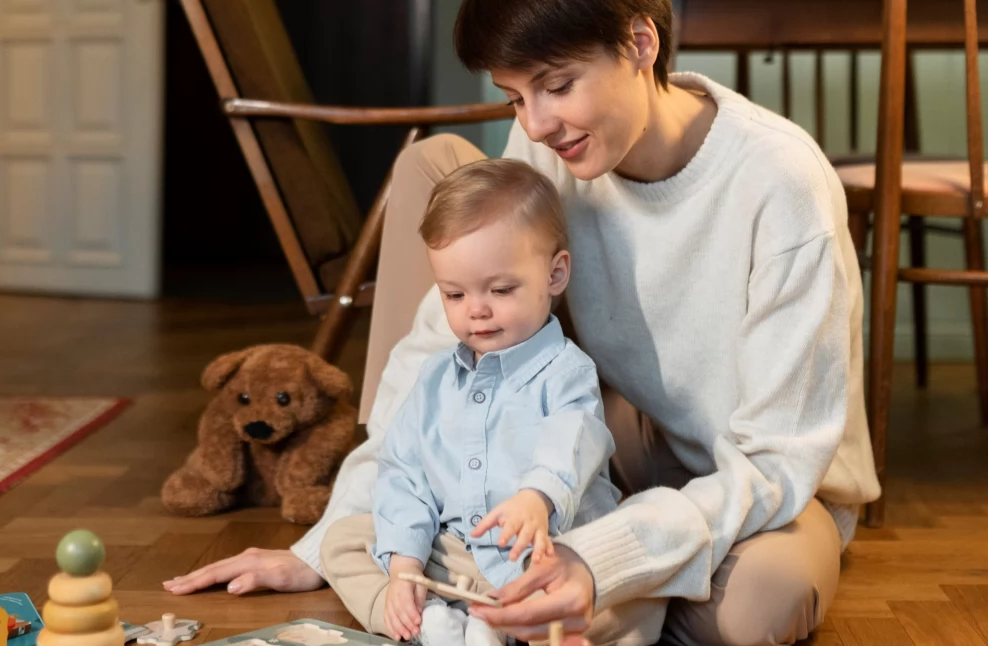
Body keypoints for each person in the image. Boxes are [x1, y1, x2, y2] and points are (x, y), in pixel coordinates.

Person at [163, 0, 881, 643]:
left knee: (762, 603)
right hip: (600, 440)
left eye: (558, 86)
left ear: (639, 43)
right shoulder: (548, 140)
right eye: (514, 97)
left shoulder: (779, 182)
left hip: (757, 483)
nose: (536, 123)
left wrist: (599, 561)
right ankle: (488, 582)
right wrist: (321, 546)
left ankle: (516, 593)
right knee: (440, 171)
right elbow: (436, 358)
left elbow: (777, 461)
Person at [344, 158, 665, 646]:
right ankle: (424, 615)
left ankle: (502, 623)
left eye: (501, 289)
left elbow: (571, 441)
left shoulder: (566, 373)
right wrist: (405, 567)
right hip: (454, 558)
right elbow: (404, 474)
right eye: (454, 294)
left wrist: (536, 499)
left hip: (546, 555)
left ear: (555, 275)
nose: (477, 310)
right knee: (347, 542)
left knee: (641, 596)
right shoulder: (433, 380)